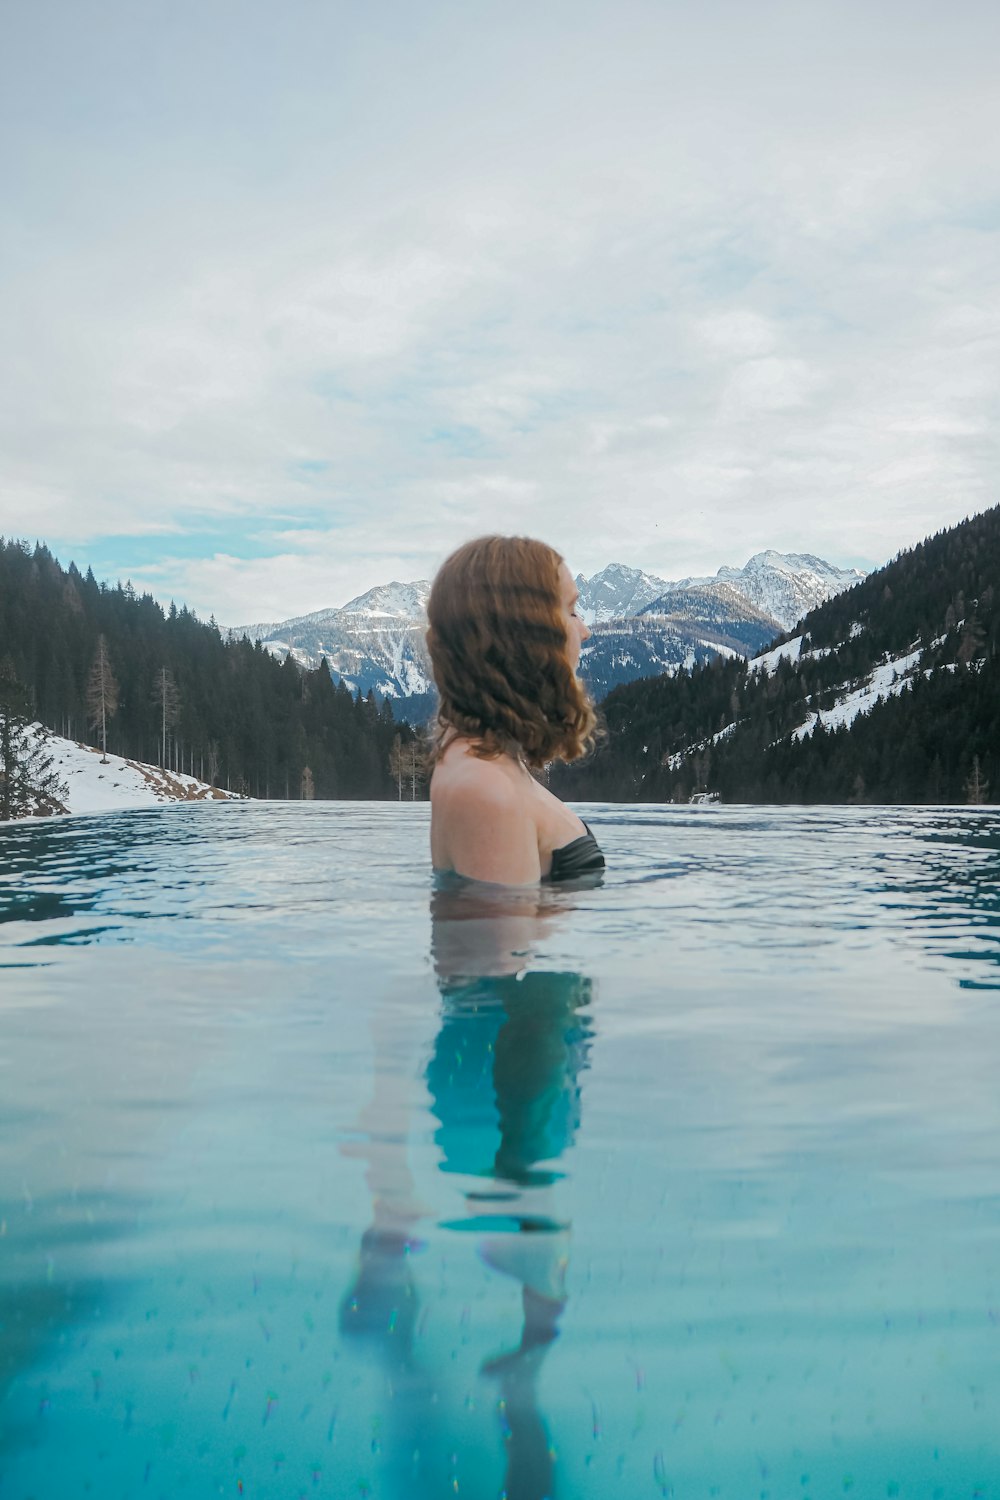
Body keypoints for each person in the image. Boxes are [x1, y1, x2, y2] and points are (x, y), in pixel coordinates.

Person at [426, 535, 605, 884]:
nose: (584, 631)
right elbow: (499, 938)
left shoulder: (484, 761)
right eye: (570, 611)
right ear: (526, 633)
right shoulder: (485, 787)